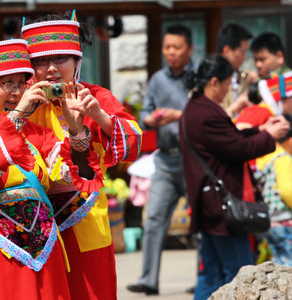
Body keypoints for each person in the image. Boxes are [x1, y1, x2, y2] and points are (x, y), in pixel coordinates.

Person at [0, 38, 102, 299]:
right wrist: (17, 116)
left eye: (22, 83)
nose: (17, 92)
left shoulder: (36, 134)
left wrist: (75, 129)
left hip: (44, 248)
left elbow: (72, 175)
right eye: (8, 83)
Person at [22, 11, 142, 299]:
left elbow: (133, 142)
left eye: (60, 59)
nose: (51, 69)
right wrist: (18, 113)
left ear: (77, 61)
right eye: (40, 61)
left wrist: (99, 116)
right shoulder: (21, 103)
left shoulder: (95, 96)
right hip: (32, 228)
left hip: (86, 226)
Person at [180, 55, 289, 300]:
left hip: (209, 205)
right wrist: (270, 135)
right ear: (215, 82)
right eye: (228, 83)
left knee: (212, 274)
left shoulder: (196, 108)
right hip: (221, 208)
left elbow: (229, 137)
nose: (230, 89)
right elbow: (239, 148)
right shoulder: (206, 113)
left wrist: (260, 130)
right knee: (240, 275)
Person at [126, 24, 193, 296]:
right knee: (153, 219)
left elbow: (205, 114)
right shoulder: (157, 80)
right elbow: (145, 116)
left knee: (201, 222)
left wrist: (179, 116)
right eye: (167, 47)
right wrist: (151, 119)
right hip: (164, 160)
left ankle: (206, 278)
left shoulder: (199, 77)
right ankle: (148, 280)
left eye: (177, 47)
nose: (171, 52)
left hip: (193, 160)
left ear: (189, 49)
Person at [255, 114, 292, 266]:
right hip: (286, 222)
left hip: (270, 222)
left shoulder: (266, 157)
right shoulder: (285, 159)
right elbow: (287, 191)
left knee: (278, 267)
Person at [216, 23, 254, 117]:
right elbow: (210, 119)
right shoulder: (209, 81)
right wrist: (235, 108)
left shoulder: (245, 78)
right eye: (242, 51)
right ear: (227, 50)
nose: (245, 57)